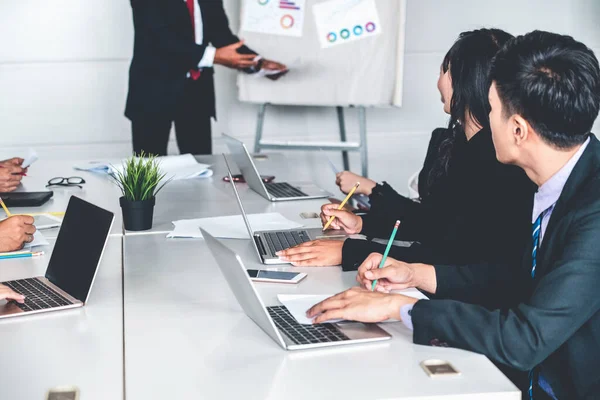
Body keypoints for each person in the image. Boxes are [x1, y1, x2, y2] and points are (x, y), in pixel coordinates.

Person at [308, 31, 600, 399]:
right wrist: (415, 274)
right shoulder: (560, 177)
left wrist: (403, 307)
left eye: (491, 109)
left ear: (518, 130)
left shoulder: (593, 213)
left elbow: (526, 338)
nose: (482, 119)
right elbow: (511, 278)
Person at [278, 29, 534, 269]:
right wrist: (361, 224)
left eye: (444, 71)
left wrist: (351, 252)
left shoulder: (501, 163)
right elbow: (432, 223)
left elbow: (453, 256)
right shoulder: (454, 143)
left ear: (465, 80)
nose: (438, 83)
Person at [125, 0, 287, 156]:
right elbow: (160, 39)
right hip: (153, 92)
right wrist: (214, 56)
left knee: (200, 166)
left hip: (196, 92)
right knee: (147, 172)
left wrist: (258, 63)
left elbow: (221, 35)